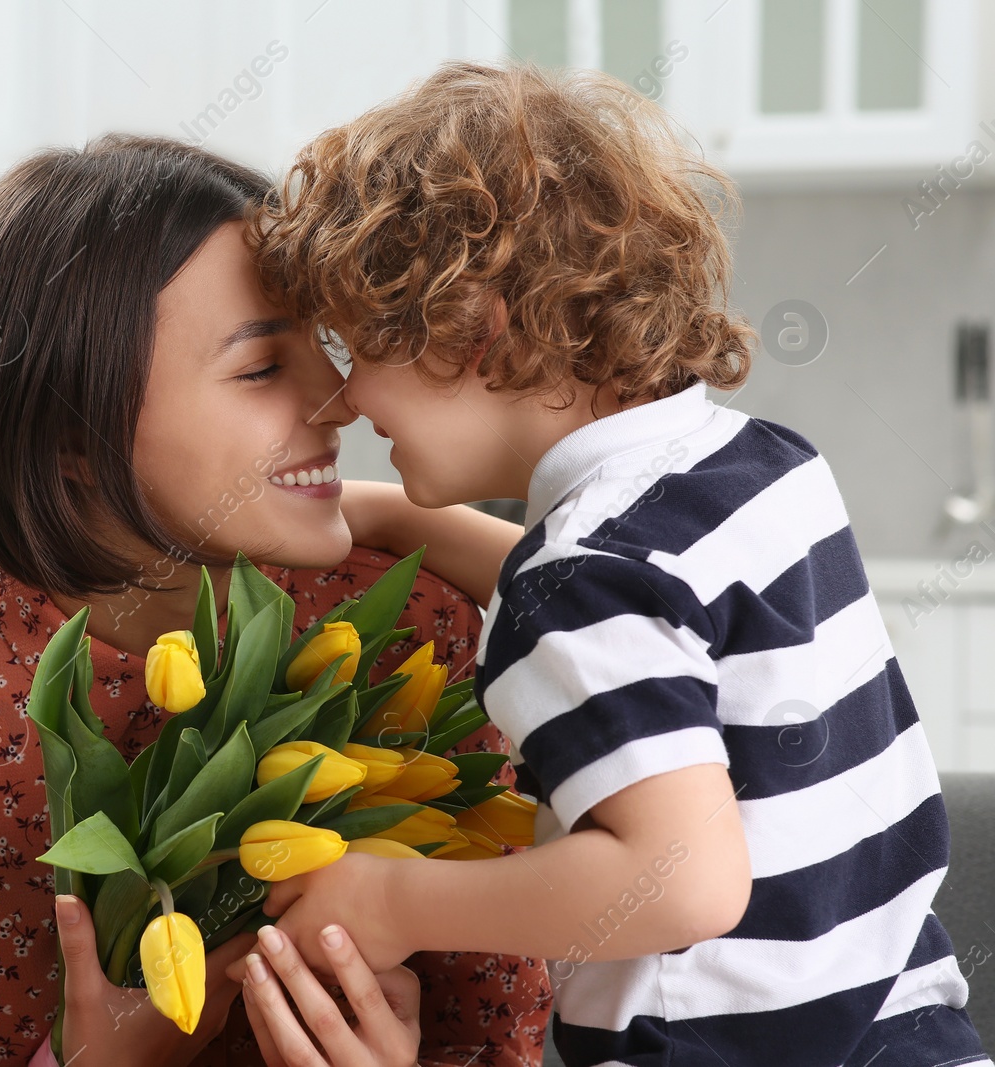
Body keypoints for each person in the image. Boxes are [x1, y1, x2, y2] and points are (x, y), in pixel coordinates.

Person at [0, 134, 551, 1067]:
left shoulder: (407, 630)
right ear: (70, 440)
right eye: (260, 368)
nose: (339, 397)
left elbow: (500, 1038)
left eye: (319, 347)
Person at [231, 61, 991, 1067]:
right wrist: (397, 520)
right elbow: (641, 632)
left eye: (354, 342)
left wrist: (392, 896)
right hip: (905, 1030)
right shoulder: (756, 465)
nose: (339, 397)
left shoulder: (578, 581)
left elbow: (679, 879)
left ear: (471, 327)